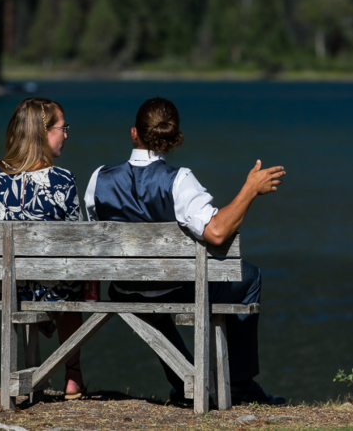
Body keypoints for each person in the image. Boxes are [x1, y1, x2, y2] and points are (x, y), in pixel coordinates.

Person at [84, 97, 286, 405]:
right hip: (174, 287)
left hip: (124, 288)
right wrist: (249, 190)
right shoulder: (178, 181)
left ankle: (184, 382)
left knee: (152, 296)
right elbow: (217, 233)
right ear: (174, 139)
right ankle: (239, 385)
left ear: (134, 133)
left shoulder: (99, 178)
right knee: (250, 277)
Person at [0, 97, 85, 400]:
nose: (66, 134)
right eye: (62, 128)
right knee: (77, 278)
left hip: (12, 289)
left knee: (47, 276)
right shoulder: (62, 181)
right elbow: (79, 244)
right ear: (42, 132)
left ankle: (28, 370)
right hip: (57, 290)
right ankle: (73, 375)